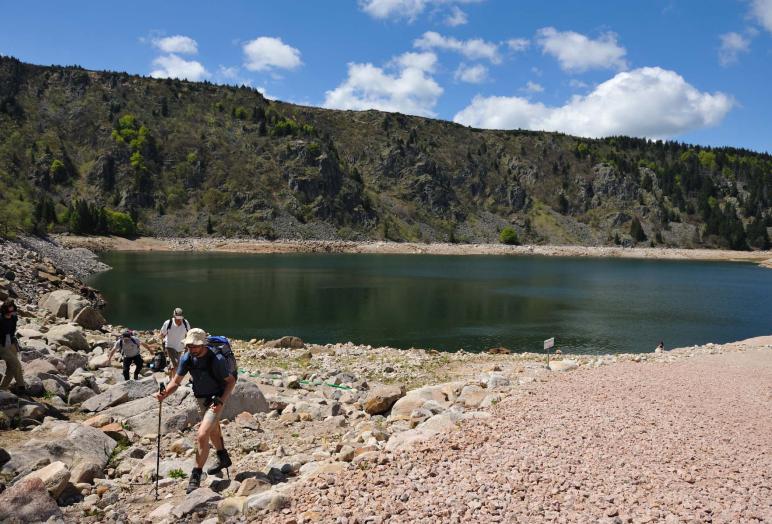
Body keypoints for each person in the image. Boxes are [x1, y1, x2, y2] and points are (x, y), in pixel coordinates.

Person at [155, 328, 236, 493]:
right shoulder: (187, 358)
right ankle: (223, 458)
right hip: (201, 399)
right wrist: (164, 394)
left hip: (216, 399)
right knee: (212, 430)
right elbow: (176, 382)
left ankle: (195, 476)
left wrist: (221, 400)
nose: (191, 348)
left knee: (201, 434)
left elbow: (231, 381)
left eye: (195, 346)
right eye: (189, 345)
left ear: (203, 344)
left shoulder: (216, 359)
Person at [0, 299, 25, 393]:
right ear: (5, 310)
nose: (11, 312)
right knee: (16, 364)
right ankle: (21, 386)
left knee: (10, 368)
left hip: (11, 342)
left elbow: (13, 330)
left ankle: (2, 388)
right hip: (1, 345)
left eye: (13, 310)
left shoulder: (14, 317)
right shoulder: (0, 318)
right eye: (9, 311)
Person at [160, 307, 190, 381]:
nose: (179, 320)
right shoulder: (168, 323)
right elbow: (161, 334)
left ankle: (170, 378)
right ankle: (174, 381)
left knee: (174, 364)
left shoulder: (185, 323)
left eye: (180, 318)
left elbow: (189, 334)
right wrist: (162, 339)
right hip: (169, 346)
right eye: (177, 317)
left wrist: (187, 345)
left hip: (180, 347)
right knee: (175, 364)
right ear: (173, 316)